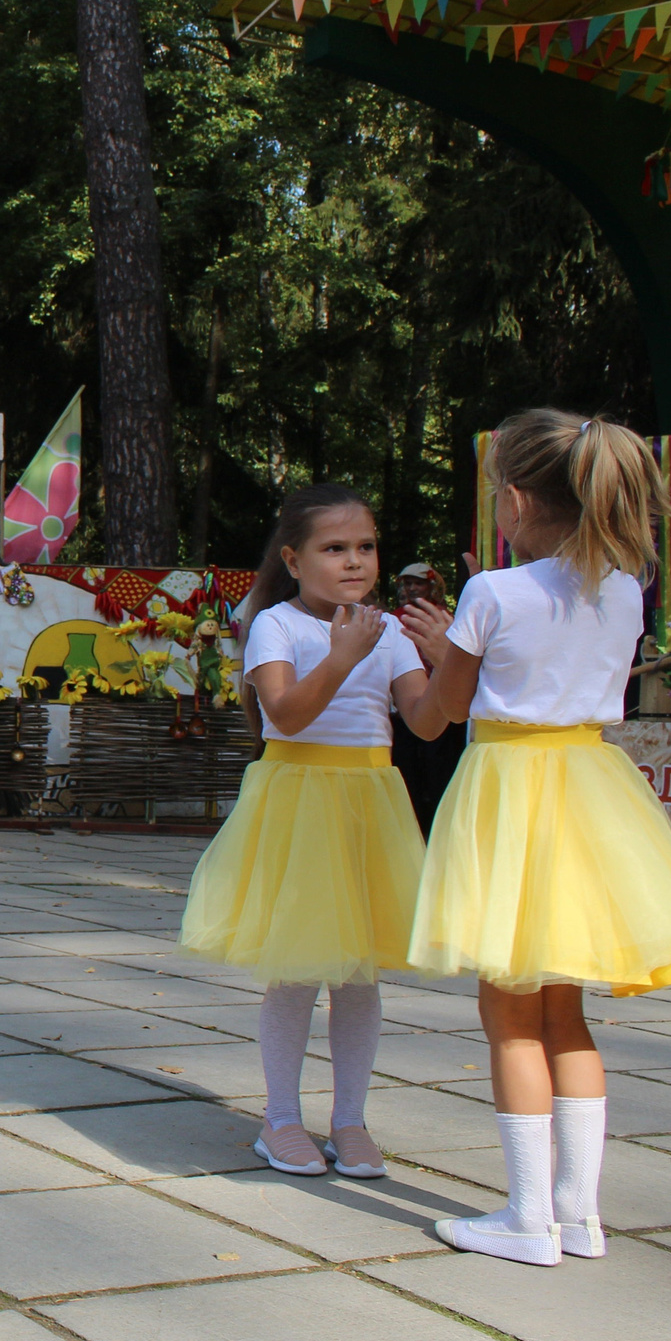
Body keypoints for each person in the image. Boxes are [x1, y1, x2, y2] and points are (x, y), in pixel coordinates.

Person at [398, 409, 671, 1267]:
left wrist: (432, 652)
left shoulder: (491, 593)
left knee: (508, 1013)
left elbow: (440, 716)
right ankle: (579, 1215)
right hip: (590, 794)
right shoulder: (621, 587)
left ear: (513, 499)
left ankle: (526, 1216)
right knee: (564, 1013)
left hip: (510, 795)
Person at [181, 485, 437, 1184]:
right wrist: (344, 655)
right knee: (296, 968)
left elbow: (425, 722)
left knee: (360, 974)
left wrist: (449, 659)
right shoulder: (277, 624)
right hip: (299, 803)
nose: (355, 561)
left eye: (366, 546)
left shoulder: (388, 631)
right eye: (335, 548)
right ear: (294, 560)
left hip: (369, 804)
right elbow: (287, 714)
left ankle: (350, 1119)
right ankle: (281, 1119)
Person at [389, 560, 466, 833]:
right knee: (407, 774)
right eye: (407, 583)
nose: (411, 588)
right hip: (403, 711)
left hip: (442, 708)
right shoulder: (394, 618)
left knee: (439, 773)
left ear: (432, 585)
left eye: (417, 583)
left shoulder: (445, 618)